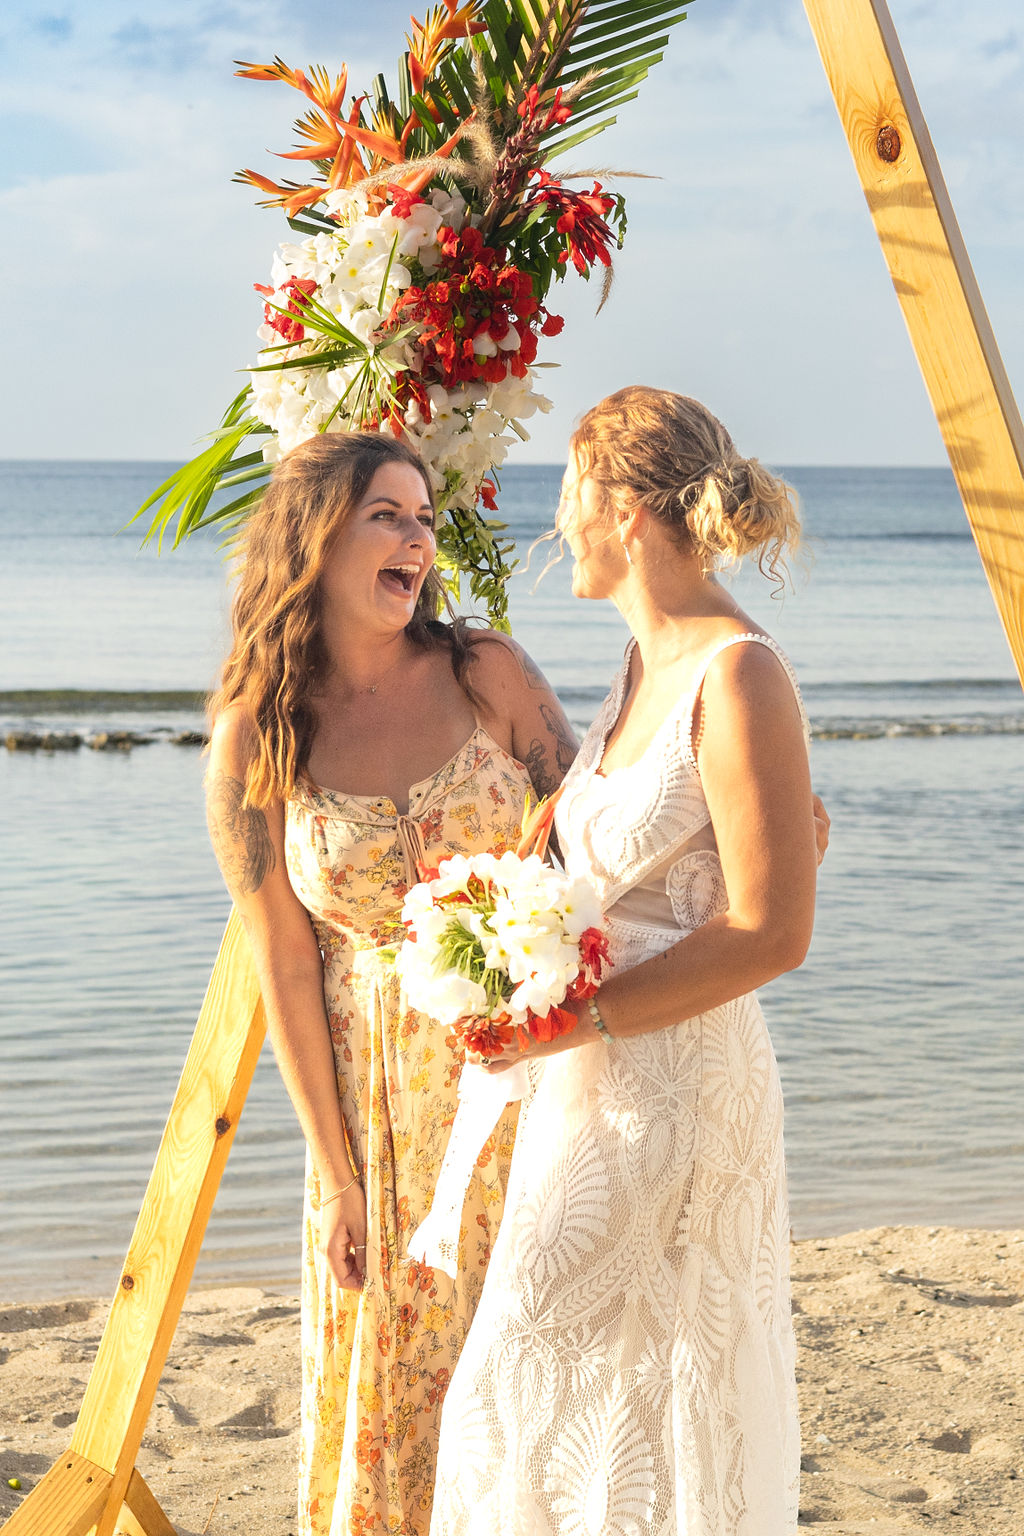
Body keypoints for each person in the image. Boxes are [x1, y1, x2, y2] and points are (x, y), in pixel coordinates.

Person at [429, 386, 817, 1536]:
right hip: (590, 1083)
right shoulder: (637, 669)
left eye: (566, 499)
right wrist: (492, 936)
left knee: (588, 1361)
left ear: (627, 511)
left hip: (679, 1087)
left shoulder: (736, 671)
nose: (558, 530)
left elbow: (771, 930)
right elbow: (618, 865)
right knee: (561, 1375)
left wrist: (573, 1022)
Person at [203, 431, 578, 1536]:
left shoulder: (484, 671)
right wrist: (337, 1179)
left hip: (533, 1068)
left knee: (536, 1361)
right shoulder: (256, 735)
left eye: (423, 517)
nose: (417, 537)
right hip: (378, 1114)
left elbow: (593, 837)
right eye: (387, 515)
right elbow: (282, 958)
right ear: (314, 538)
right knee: (403, 1383)